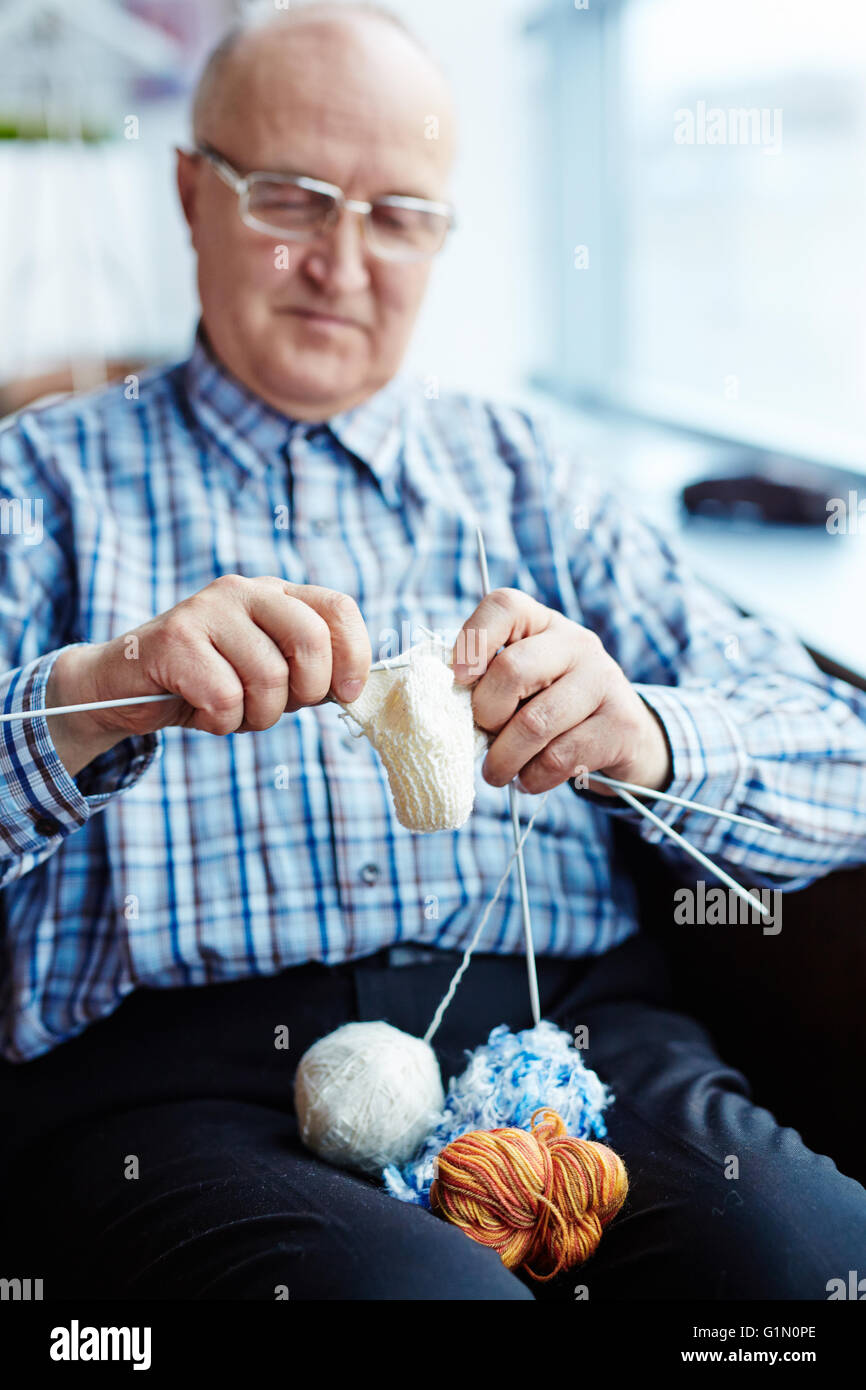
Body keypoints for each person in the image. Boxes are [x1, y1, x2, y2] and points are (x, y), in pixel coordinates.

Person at [1, 1, 865, 1302]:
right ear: (192, 192)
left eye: (398, 215)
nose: (341, 265)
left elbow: (843, 763)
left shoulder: (528, 476)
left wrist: (648, 732)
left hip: (560, 1037)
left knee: (809, 1266)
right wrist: (89, 698)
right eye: (290, 199)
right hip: (183, 1079)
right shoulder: (42, 482)